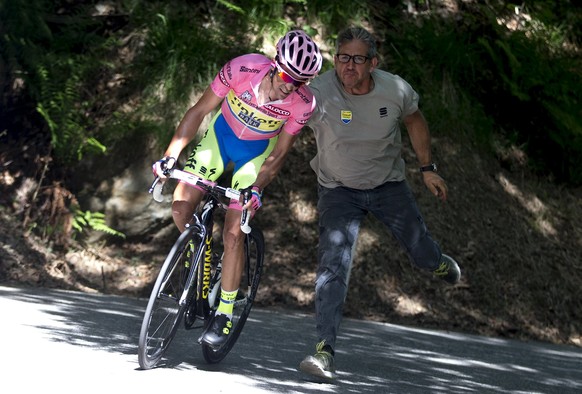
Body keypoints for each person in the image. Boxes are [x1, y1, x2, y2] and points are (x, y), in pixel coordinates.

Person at [298, 26, 461, 380]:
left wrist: (428, 168)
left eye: (358, 59)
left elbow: (415, 121)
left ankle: (436, 262)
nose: (348, 67)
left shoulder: (395, 90)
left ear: (373, 63)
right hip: (338, 189)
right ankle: (324, 349)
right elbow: (284, 123)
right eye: (343, 58)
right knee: (333, 265)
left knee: (420, 250)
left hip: (388, 185)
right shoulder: (317, 92)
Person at [152, 30, 322, 348]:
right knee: (180, 207)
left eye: (299, 82)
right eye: (287, 75)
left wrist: (256, 188)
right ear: (274, 64)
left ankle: (226, 313)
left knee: (233, 233)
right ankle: (197, 253)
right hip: (219, 141)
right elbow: (199, 111)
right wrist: (170, 155)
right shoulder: (242, 68)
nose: (290, 84)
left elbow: (279, 154)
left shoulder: (302, 104)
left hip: (254, 159)